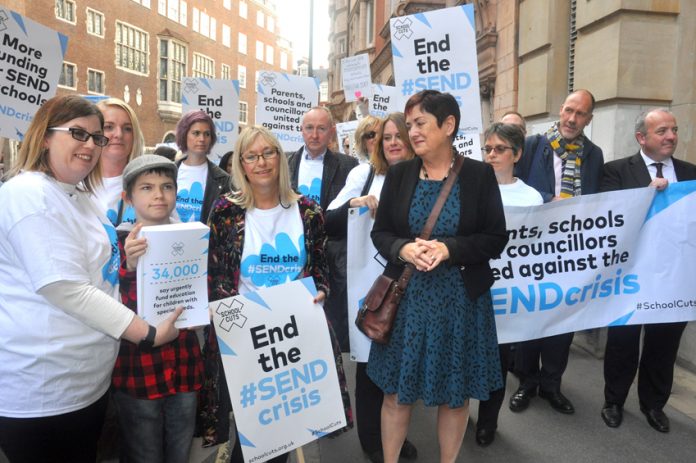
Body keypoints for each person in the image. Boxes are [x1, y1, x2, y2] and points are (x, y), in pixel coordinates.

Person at [0, 95, 181, 463]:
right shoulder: (29, 194)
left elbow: (97, 272)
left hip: (84, 384)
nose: (91, 145)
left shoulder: (78, 195)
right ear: (45, 137)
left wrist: (128, 263)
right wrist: (147, 334)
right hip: (44, 391)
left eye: (96, 138)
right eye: (78, 133)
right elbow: (66, 289)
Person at [368, 90, 508, 463]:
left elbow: (495, 238)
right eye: (409, 124)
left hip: (460, 301)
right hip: (408, 300)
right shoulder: (398, 175)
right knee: (396, 393)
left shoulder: (478, 175)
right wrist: (403, 249)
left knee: (455, 393)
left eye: (420, 123)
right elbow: (380, 233)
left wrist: (450, 249)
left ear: (448, 126)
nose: (411, 132)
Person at [199, 125, 353, 462]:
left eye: (268, 153)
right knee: (252, 431)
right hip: (245, 336)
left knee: (282, 433)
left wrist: (322, 290)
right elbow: (214, 274)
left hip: (294, 337)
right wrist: (230, 309)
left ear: (280, 159)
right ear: (241, 164)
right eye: (251, 156)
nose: (262, 162)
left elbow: (320, 267)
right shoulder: (226, 212)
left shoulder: (308, 211)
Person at [325, 113, 418, 463]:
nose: (393, 142)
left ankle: (397, 436)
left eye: (400, 136)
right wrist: (355, 204)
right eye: (386, 137)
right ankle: (372, 441)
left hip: (415, 288)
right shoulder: (364, 175)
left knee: (404, 364)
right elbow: (329, 220)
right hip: (374, 287)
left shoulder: (426, 176)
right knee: (371, 364)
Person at [600, 108, 696, 433]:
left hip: (674, 278)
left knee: (663, 345)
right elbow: (608, 219)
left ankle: (653, 404)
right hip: (630, 277)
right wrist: (645, 195)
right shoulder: (615, 171)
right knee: (622, 342)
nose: (671, 136)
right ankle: (613, 401)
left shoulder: (691, 173)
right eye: (662, 131)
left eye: (674, 130)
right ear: (642, 137)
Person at [511, 89, 604, 415]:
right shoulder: (534, 145)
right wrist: (550, 200)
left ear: (588, 120)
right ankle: (527, 382)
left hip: (570, 253)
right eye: (568, 110)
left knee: (563, 322)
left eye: (580, 114)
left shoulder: (593, 155)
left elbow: (597, 201)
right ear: (560, 111)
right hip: (532, 252)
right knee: (531, 318)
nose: (572, 119)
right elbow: (515, 187)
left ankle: (552, 385)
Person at [111, 155, 205, 462]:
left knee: (179, 450)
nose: (158, 195)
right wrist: (130, 265)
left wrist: (201, 311)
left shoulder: (192, 235)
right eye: (147, 187)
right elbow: (112, 308)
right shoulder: (116, 241)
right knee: (143, 453)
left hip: (185, 368)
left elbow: (199, 291)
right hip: (139, 372)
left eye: (167, 187)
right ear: (128, 197)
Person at [476, 122, 543, 447]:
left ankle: (487, 423)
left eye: (499, 149)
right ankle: (459, 415)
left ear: (517, 154)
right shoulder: (469, 187)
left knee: (498, 364)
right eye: (487, 148)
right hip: (472, 290)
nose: (491, 155)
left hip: (507, 298)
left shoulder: (530, 196)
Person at [288, 106, 359, 352]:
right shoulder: (285, 164)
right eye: (309, 128)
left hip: (331, 254)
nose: (315, 135)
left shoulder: (349, 166)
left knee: (330, 329)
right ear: (301, 130)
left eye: (321, 128)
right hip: (292, 254)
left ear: (332, 132)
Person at [93, 97, 144, 226]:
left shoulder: (151, 183)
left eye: (127, 128)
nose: (119, 134)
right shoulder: (77, 183)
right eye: (108, 127)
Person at [174, 110, 231, 223]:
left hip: (205, 239)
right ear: (184, 135)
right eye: (196, 133)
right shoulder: (169, 172)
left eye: (207, 134)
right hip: (171, 239)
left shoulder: (223, 179)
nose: (202, 139)